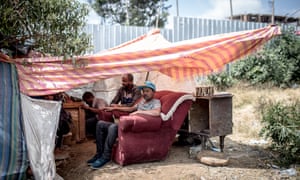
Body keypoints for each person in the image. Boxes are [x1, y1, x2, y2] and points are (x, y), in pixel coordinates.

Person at [87, 81, 161, 169]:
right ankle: (99, 154)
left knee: (113, 127)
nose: (145, 93)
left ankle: (106, 156)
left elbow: (157, 112)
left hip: (137, 125)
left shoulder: (156, 102)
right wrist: (114, 108)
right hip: (129, 121)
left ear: (153, 92)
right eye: (144, 91)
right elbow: (130, 109)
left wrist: (139, 112)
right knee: (100, 124)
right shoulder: (142, 101)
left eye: (147, 91)